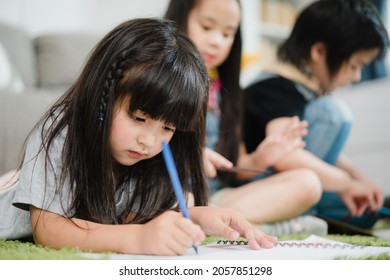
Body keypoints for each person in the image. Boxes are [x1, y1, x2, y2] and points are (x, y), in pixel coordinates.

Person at [0, 18, 278, 255]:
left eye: (167, 128)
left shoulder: (142, 156)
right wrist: (138, 239)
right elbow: (49, 230)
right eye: (139, 118)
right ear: (102, 98)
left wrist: (194, 217)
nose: (149, 141)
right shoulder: (60, 132)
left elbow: (124, 215)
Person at [165, 0, 327, 236]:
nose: (216, 41)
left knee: (308, 183)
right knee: (183, 201)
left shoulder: (226, 95)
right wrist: (191, 155)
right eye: (207, 27)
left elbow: (236, 167)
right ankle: (249, 225)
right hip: (170, 194)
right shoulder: (158, 81)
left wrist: (260, 158)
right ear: (178, 19)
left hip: (217, 198)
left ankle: (220, 221)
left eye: (227, 33)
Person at [243, 0, 389, 229]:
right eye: (354, 66)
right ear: (319, 51)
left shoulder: (303, 90)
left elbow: (326, 154)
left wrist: (358, 179)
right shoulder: (275, 87)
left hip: (293, 179)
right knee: (332, 112)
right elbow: (286, 155)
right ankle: (294, 213)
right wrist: (345, 183)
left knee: (366, 211)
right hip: (255, 186)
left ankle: (307, 210)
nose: (357, 76)